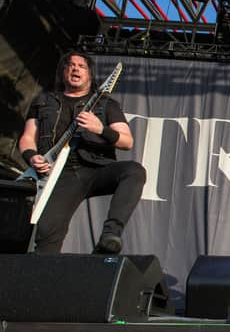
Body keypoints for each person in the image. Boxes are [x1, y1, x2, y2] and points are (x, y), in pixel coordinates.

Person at [18, 52, 145, 254]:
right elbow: (26, 138)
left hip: (95, 169)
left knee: (134, 171)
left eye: (81, 66)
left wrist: (100, 129)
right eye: (71, 65)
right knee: (46, 237)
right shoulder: (43, 101)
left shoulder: (106, 104)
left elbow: (127, 141)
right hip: (59, 175)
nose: (76, 68)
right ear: (64, 71)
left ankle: (110, 236)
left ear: (89, 75)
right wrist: (32, 156)